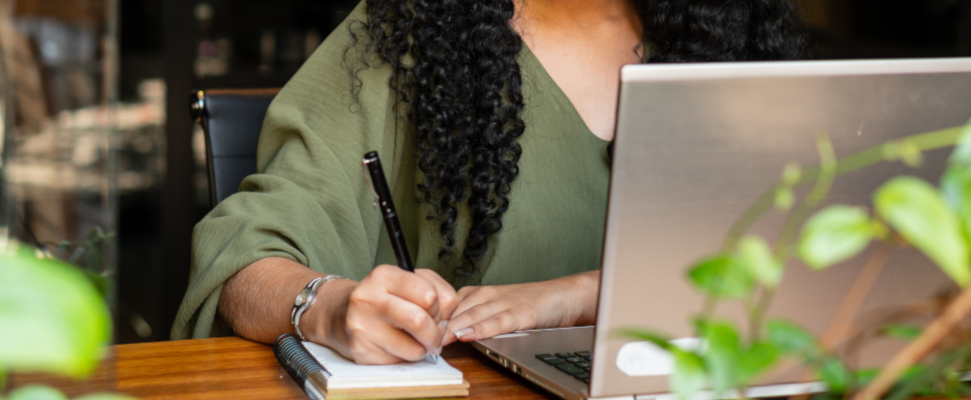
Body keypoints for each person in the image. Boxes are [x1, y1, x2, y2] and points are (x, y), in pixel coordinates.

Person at [172, 0, 807, 364]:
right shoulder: (407, 35)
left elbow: (817, 280)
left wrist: (586, 295)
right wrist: (326, 307)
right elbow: (245, 261)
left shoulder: (738, 42)